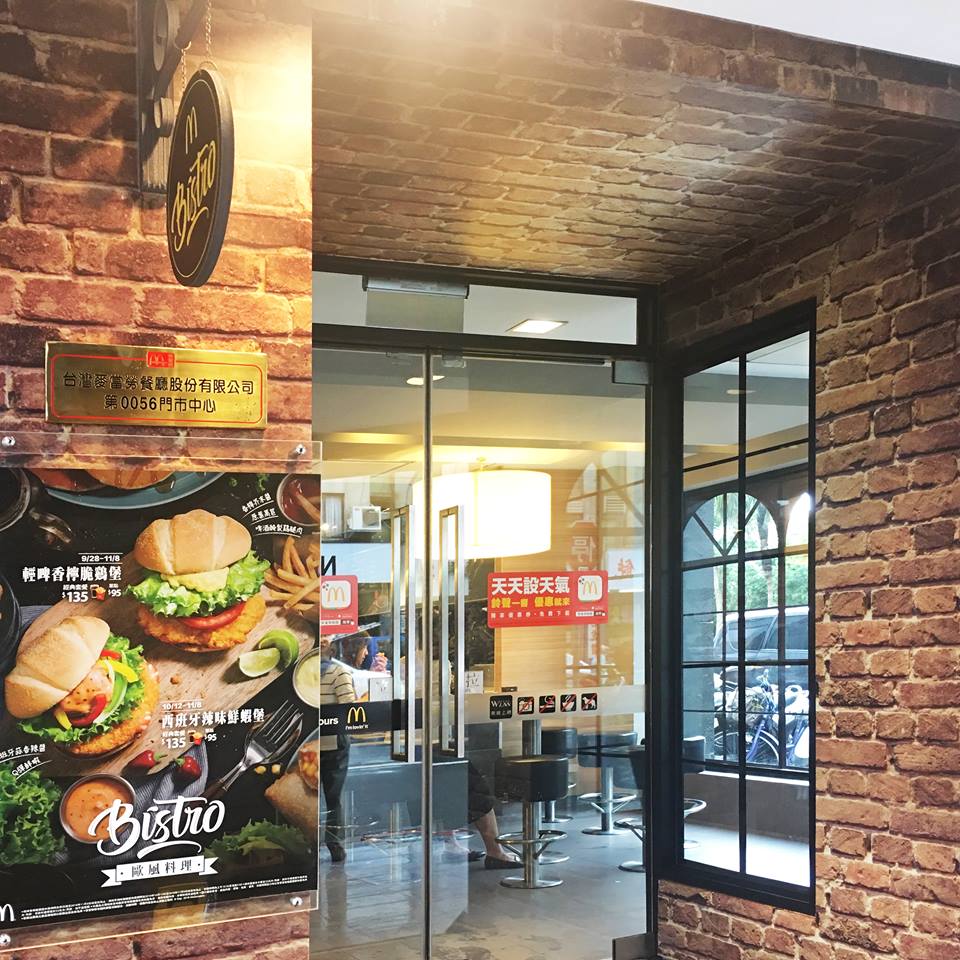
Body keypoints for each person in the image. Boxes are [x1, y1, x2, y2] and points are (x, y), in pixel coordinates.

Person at [320, 635, 356, 863]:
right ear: (333, 651)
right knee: (333, 797)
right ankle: (334, 843)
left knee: (308, 794)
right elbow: (349, 707)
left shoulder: (302, 672)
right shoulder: (339, 673)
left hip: (308, 742)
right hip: (334, 742)